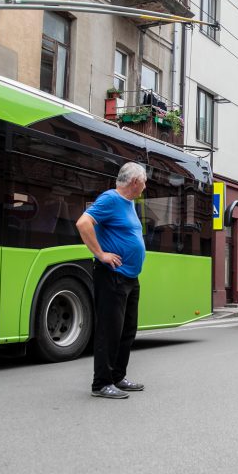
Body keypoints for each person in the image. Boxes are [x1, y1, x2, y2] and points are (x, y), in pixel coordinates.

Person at [76, 162, 148, 399]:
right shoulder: (110, 199)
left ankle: (117, 376)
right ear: (135, 182)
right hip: (112, 276)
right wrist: (101, 254)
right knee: (110, 330)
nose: (145, 186)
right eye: (144, 182)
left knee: (127, 330)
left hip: (129, 277)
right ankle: (101, 383)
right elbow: (83, 223)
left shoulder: (129, 205)